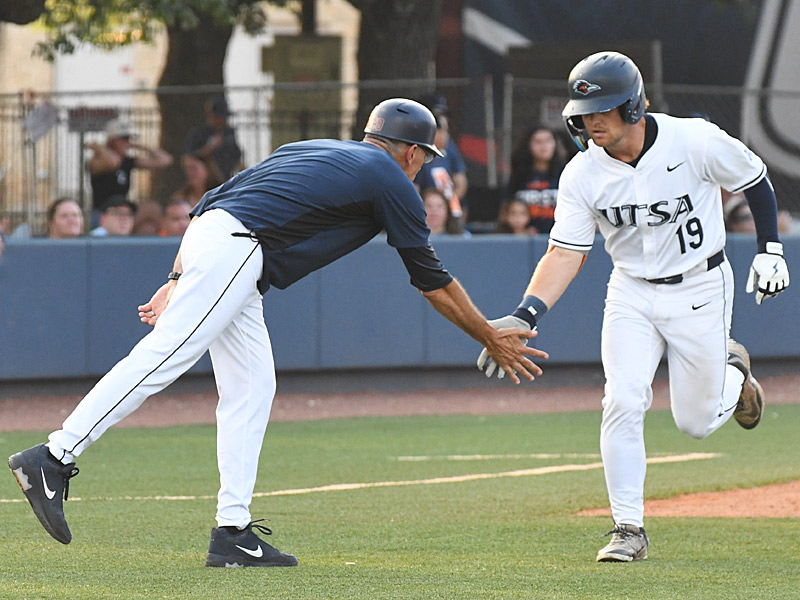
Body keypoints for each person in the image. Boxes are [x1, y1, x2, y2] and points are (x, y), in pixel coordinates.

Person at [8, 98, 545, 568]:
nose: (423, 167)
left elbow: (206, 204)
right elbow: (431, 279)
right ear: (410, 152)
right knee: (164, 356)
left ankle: (232, 533)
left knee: (252, 387)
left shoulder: (311, 148)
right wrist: (488, 334)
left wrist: (176, 275)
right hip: (239, 250)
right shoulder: (389, 178)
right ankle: (55, 456)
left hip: (224, 246)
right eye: (425, 157)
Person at [476, 52, 790, 562]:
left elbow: (754, 179)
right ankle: (628, 528)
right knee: (622, 399)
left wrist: (771, 249)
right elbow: (565, 252)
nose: (589, 120)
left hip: (700, 285)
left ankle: (736, 378)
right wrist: (526, 312)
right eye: (582, 112)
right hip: (631, 291)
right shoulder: (581, 173)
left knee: (695, 421)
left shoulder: (694, 139)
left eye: (602, 109)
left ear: (634, 106)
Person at [87, 118, 173, 222]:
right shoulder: (97, 162)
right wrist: (99, 147)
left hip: (124, 210)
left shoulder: (128, 161)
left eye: (128, 139)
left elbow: (165, 160)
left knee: (151, 214)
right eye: (123, 139)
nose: (127, 142)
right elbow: (113, 163)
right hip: (103, 212)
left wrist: (138, 145)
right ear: (112, 141)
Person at [415, 92, 469, 224]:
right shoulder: (415, 148)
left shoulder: (449, 145)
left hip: (447, 212)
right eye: (436, 118)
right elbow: (413, 190)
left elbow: (461, 181)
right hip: (424, 214)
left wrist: (447, 207)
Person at [507, 125, 566, 234]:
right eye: (538, 142)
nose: (544, 146)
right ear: (528, 145)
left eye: (548, 141)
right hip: (527, 240)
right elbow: (506, 208)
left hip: (562, 238)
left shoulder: (567, 173)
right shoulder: (519, 175)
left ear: (555, 144)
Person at [184, 96, 244, 180]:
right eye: (220, 117)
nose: (223, 120)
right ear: (211, 115)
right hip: (205, 181)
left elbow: (237, 154)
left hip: (226, 178)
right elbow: (189, 157)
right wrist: (209, 148)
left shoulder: (228, 132)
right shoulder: (199, 133)